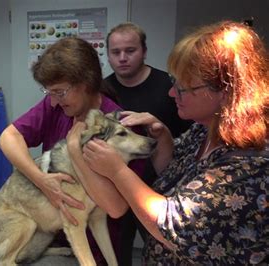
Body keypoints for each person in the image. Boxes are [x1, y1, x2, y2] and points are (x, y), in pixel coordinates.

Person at [67, 20, 268, 264]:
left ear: (226, 92)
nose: (172, 94)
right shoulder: (202, 131)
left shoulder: (252, 160)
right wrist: (162, 138)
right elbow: (170, 176)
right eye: (175, 84)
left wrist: (117, 171)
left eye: (184, 88)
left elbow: (173, 225)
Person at [0, 36, 145, 265]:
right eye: (50, 93)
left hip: (100, 248)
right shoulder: (56, 106)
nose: (54, 102)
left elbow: (116, 208)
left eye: (60, 92)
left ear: (85, 83)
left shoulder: (121, 127)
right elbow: (8, 138)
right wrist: (41, 180)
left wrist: (75, 149)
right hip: (58, 239)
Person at [104, 22, 192, 265]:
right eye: (115, 52)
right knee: (116, 253)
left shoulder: (170, 87)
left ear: (144, 51)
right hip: (116, 188)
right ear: (108, 55)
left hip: (160, 191)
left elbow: (190, 143)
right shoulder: (104, 91)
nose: (122, 58)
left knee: (165, 252)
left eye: (130, 50)